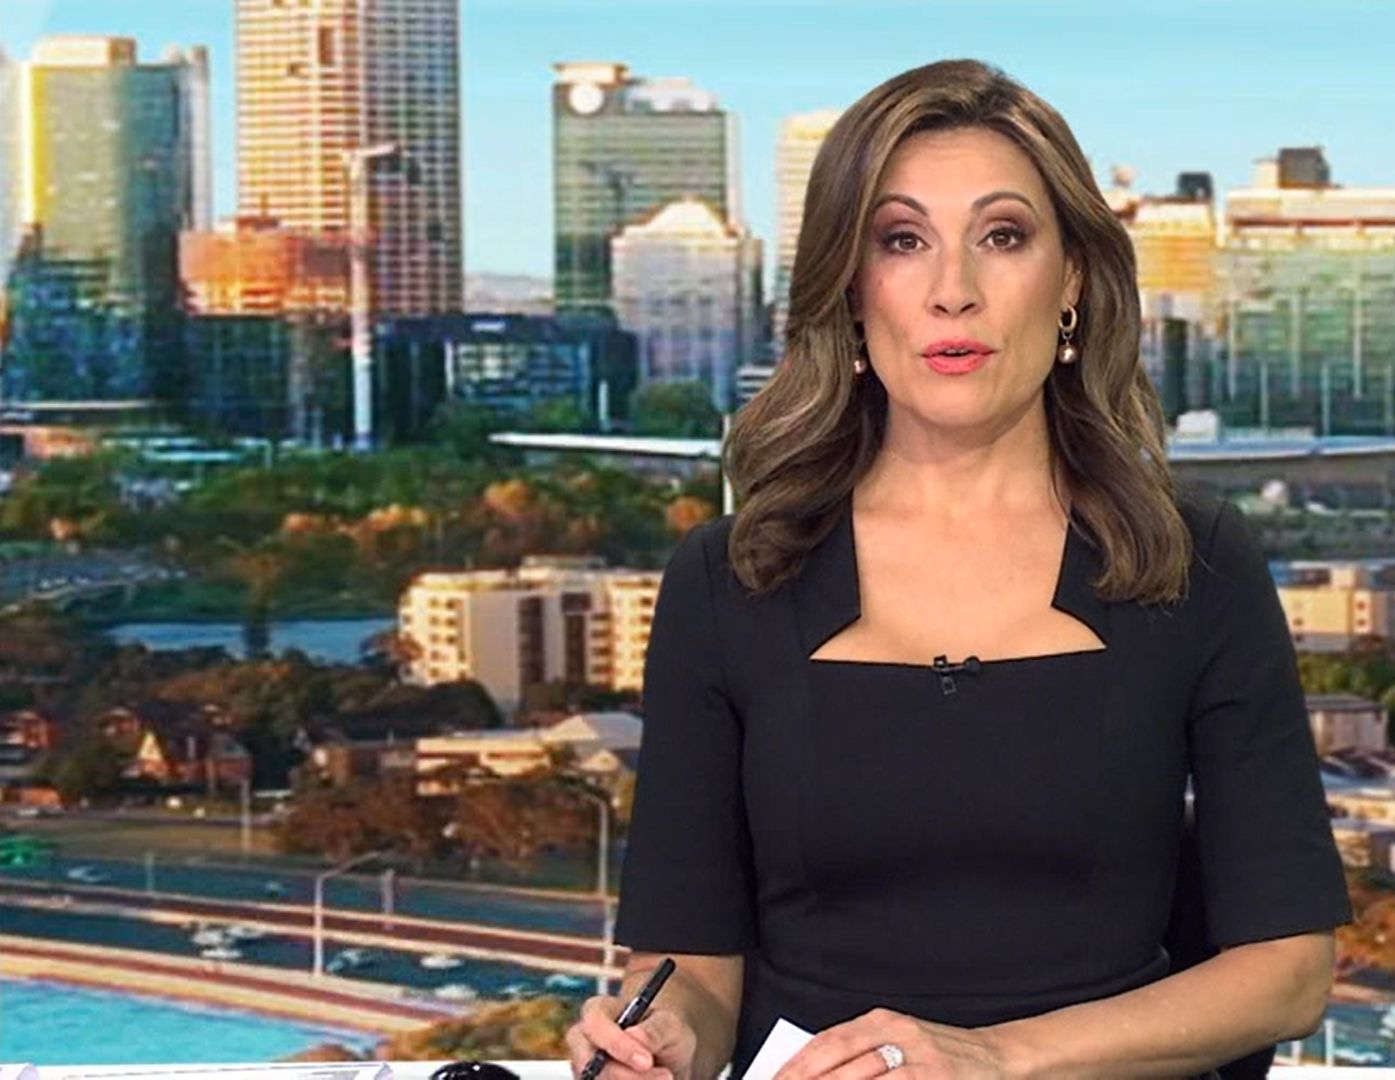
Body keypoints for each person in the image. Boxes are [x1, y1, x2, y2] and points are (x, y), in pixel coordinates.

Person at [565, 57, 1353, 1080]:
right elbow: (692, 970)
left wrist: (992, 1059)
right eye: (902, 241)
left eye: (1003, 237)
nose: (953, 292)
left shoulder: (1191, 560)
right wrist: (663, 1036)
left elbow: (1287, 972)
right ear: (851, 291)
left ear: (1072, 283)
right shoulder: (731, 578)